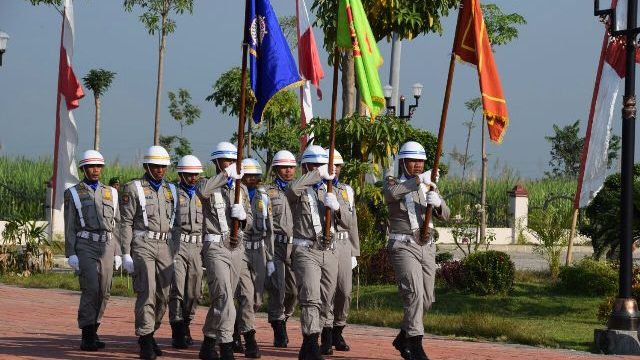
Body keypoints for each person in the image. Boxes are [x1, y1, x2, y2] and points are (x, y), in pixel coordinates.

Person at [383, 141, 449, 360]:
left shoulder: (428, 185)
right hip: (403, 246)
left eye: (420, 161)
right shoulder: (394, 182)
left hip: (427, 246)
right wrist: (418, 180)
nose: (418, 165)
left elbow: (447, 214)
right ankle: (416, 345)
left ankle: (403, 336)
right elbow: (392, 195)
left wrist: (438, 202)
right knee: (413, 293)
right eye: (412, 161)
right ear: (402, 162)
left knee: (427, 299)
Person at [119, 145, 180, 360]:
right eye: (156, 166)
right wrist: (125, 252)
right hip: (143, 243)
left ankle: (151, 331)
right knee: (147, 291)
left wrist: (177, 249)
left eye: (163, 166)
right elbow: (125, 222)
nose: (160, 170)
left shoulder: (171, 190)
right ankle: (145, 338)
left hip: (166, 245)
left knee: (164, 294)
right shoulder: (133, 188)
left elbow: (177, 224)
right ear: (147, 166)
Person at [197, 142, 252, 360]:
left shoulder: (243, 189)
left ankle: (208, 341)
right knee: (226, 298)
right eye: (226, 162)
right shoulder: (208, 183)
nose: (229, 165)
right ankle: (226, 346)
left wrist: (244, 218)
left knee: (222, 299)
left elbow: (251, 220)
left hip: (236, 247)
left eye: (232, 162)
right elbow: (202, 192)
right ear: (217, 163)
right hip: (215, 247)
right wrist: (225, 175)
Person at [64, 149, 121, 351]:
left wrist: (119, 252)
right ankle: (87, 335)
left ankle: (94, 329)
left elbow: (118, 224)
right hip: (85, 244)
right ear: (83, 169)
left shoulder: (111, 192)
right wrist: (71, 252)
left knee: (105, 290)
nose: (95, 170)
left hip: (107, 243)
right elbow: (69, 224)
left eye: (98, 166)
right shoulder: (73, 193)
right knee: (91, 288)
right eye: (91, 167)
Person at [286, 145, 338, 360]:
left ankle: (308, 347)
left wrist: (337, 207)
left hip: (329, 251)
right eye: (314, 165)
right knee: (310, 298)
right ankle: (310, 341)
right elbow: (290, 192)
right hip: (306, 250)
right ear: (306, 166)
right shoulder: (299, 189)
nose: (319, 169)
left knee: (326, 300)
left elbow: (346, 220)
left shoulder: (331, 191)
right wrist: (316, 175)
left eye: (322, 165)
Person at [230, 158, 273, 358]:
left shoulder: (263, 197)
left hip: (260, 251)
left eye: (255, 176)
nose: (251, 179)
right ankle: (250, 339)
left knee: (256, 300)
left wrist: (271, 258)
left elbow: (270, 228)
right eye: (248, 176)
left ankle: (236, 329)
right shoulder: (236, 195)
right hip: (242, 249)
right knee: (246, 296)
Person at [319, 149, 360, 355]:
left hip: (344, 245)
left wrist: (354, 252)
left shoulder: (346, 191)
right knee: (328, 290)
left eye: (338, 166)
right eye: (331, 165)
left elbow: (352, 223)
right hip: (326, 243)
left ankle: (338, 328)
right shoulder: (316, 189)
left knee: (345, 291)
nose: (335, 169)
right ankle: (325, 333)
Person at [169, 155, 205, 349]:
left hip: (198, 246)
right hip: (178, 244)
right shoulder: (173, 193)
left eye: (195, 175)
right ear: (181, 174)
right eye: (189, 174)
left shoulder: (202, 194)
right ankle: (177, 329)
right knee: (177, 287)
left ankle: (187, 322)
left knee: (195, 291)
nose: (193, 178)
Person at [265, 150, 298, 348]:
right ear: (277, 169)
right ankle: (278, 325)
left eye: (292, 167)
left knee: (293, 291)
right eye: (284, 167)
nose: (288, 171)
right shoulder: (267, 192)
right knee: (277, 288)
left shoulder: (300, 190)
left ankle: (283, 317)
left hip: (294, 246)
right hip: (275, 245)